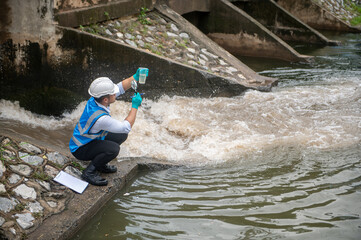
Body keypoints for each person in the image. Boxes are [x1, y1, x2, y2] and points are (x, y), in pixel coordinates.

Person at [69, 68, 148, 186]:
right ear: (106, 99)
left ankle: (100, 163)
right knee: (113, 149)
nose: (116, 94)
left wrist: (135, 77)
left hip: (87, 140)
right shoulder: (101, 119)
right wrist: (135, 106)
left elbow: (120, 87)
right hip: (80, 149)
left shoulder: (95, 99)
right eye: (113, 93)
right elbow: (126, 127)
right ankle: (89, 172)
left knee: (121, 135)